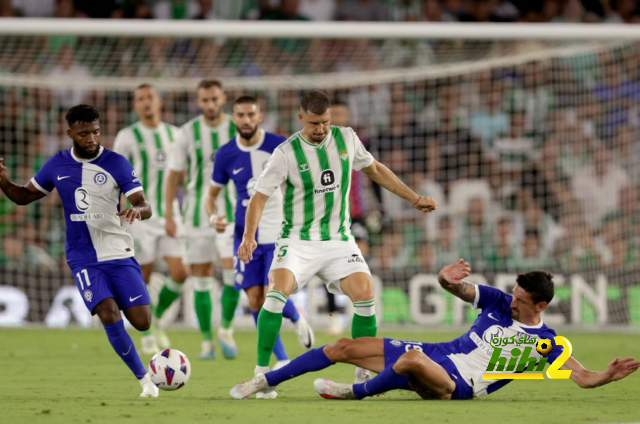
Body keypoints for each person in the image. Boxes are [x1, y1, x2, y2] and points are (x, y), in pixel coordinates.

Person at [236, 90, 438, 396]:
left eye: (325, 122)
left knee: (366, 295)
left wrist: (414, 198)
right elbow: (259, 198)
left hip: (339, 240)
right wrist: (249, 236)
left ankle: (363, 373)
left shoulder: (347, 139)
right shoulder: (285, 153)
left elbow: (375, 170)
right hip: (298, 240)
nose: (321, 129)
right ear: (301, 118)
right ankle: (261, 374)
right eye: (314, 123)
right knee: (274, 296)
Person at [231, 259, 640, 400]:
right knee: (343, 346)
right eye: (513, 293)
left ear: (541, 305)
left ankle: (352, 393)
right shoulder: (497, 301)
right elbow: (456, 288)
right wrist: (445, 278)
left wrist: (607, 374)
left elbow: (582, 376)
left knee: (411, 360)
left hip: (459, 384)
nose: (512, 301)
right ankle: (264, 380)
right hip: (440, 353)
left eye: (520, 298)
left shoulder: (547, 343)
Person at [0, 105, 160, 398]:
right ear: (70, 133)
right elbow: (24, 196)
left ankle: (144, 344)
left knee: (142, 321)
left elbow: (144, 203)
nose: (91, 139)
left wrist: (137, 210)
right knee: (109, 313)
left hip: (118, 250)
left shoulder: (117, 163)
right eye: (84, 133)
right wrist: (3, 181)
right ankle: (145, 381)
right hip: (82, 256)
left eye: (96, 132)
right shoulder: (57, 165)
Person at [206, 95, 315, 397]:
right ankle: (288, 338)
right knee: (254, 300)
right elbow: (212, 195)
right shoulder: (226, 154)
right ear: (233, 117)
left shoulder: (281, 145)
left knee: (271, 296)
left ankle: (275, 364)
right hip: (245, 236)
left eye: (250, 114)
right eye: (240, 115)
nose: (245, 120)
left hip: (280, 233)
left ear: (260, 116)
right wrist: (213, 216)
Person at [165, 79, 238, 360]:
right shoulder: (186, 133)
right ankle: (207, 340)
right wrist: (170, 213)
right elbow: (173, 176)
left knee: (233, 274)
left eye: (214, 99)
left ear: (223, 98)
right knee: (201, 277)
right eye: (205, 100)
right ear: (199, 102)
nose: (210, 104)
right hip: (195, 215)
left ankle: (227, 329)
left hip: (231, 212)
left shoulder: (237, 127)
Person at [113, 84, 188, 354]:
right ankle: (146, 330)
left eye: (150, 98)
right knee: (142, 276)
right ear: (136, 105)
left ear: (159, 102)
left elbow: (184, 174)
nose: (146, 103)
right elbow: (116, 178)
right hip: (140, 217)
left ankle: (155, 319)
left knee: (181, 272)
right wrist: (117, 215)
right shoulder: (127, 136)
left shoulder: (175, 134)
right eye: (140, 99)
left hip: (170, 215)